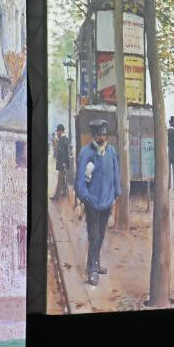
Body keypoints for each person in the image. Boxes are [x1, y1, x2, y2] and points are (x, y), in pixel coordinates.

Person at [75, 120, 120, 286]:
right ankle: (92, 270)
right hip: (92, 202)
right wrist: (84, 196)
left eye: (104, 134)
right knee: (93, 237)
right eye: (100, 135)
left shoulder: (111, 151)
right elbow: (79, 179)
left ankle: (96, 263)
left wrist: (116, 192)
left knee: (100, 236)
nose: (103, 137)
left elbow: (115, 173)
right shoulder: (86, 152)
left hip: (107, 201)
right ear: (94, 135)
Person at [50, 124, 70, 201]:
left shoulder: (62, 140)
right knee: (63, 178)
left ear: (61, 131)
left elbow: (64, 153)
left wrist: (64, 163)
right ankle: (64, 192)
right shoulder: (65, 139)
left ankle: (57, 196)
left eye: (58, 131)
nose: (57, 133)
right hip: (63, 163)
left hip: (62, 163)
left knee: (60, 179)